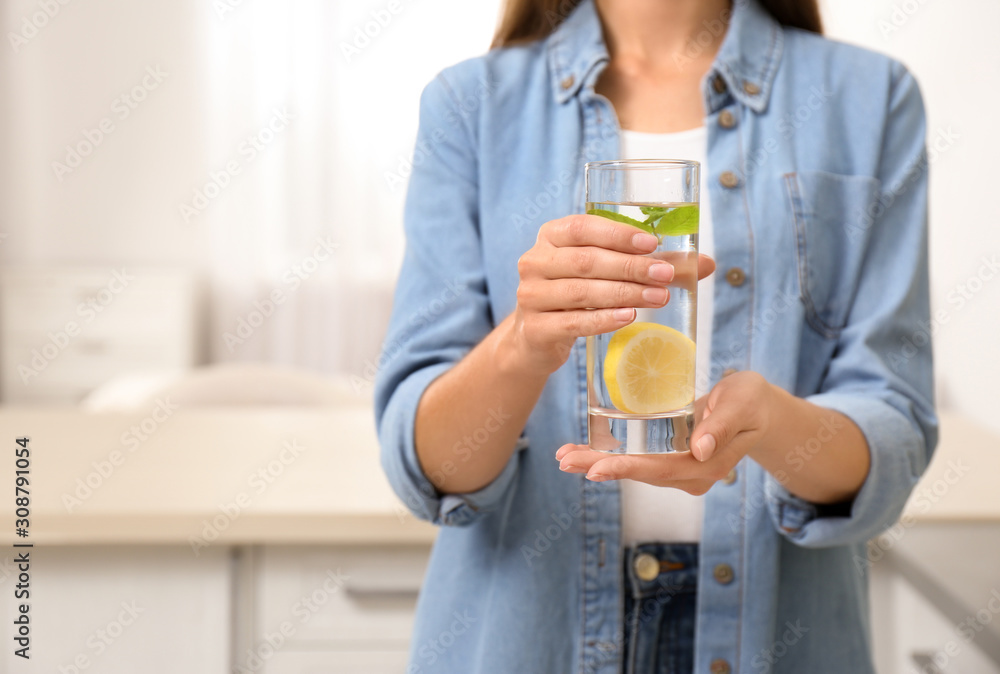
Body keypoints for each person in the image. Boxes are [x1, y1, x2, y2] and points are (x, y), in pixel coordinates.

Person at [374, 0, 937, 671]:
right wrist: (521, 346)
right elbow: (430, 467)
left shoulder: (870, 98)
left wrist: (772, 425)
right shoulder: (471, 105)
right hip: (524, 642)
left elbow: (894, 427)